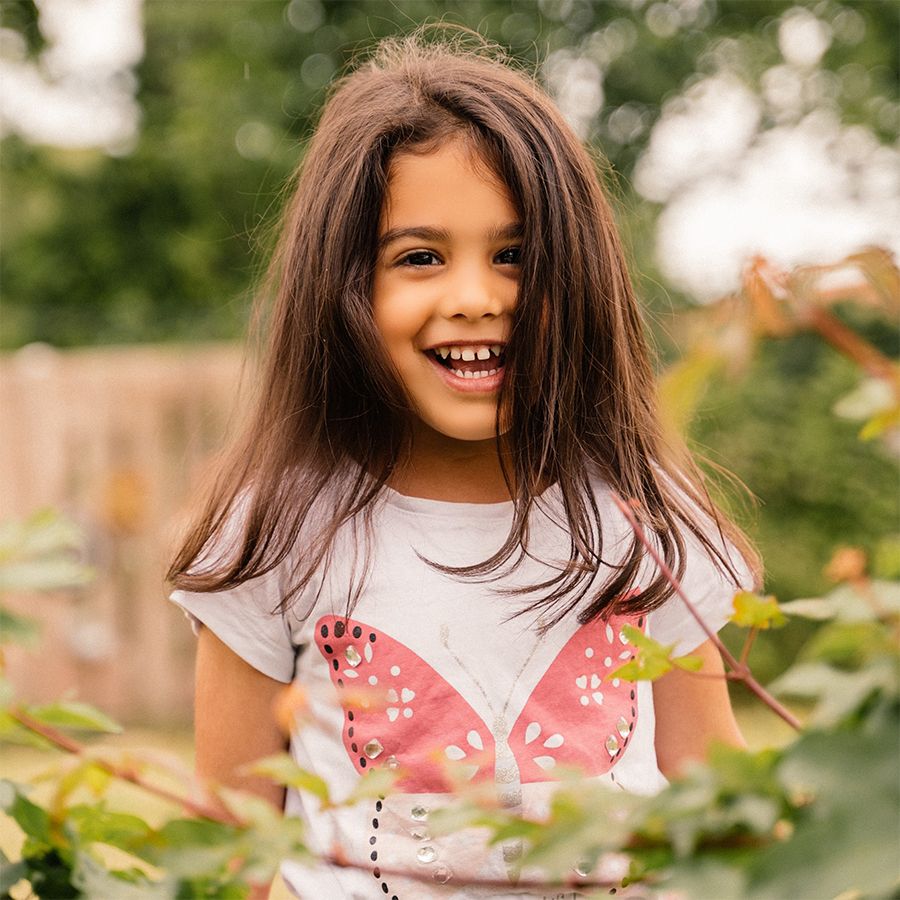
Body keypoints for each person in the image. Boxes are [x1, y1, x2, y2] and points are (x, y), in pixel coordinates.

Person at [168, 29, 759, 900]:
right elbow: (229, 852)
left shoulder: (642, 519)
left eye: (515, 256)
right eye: (420, 258)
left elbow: (716, 792)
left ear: (579, 278)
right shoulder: (277, 533)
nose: (476, 298)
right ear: (345, 286)